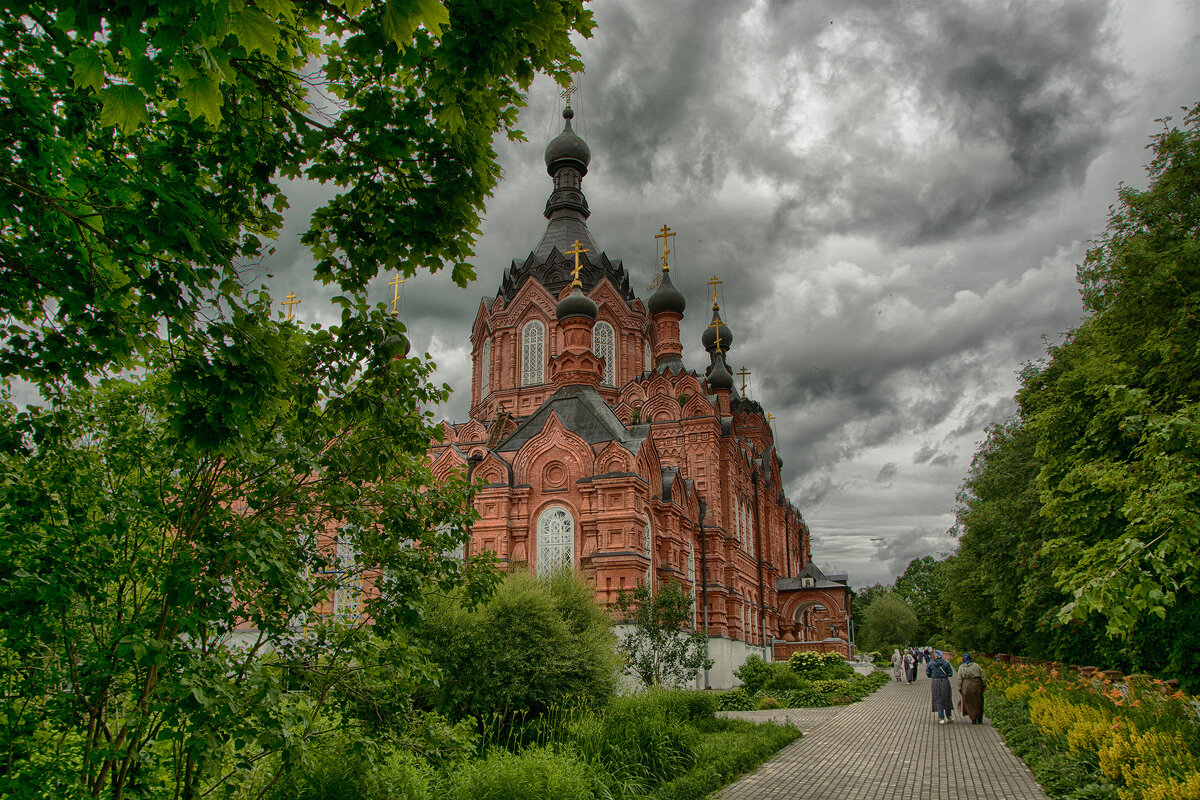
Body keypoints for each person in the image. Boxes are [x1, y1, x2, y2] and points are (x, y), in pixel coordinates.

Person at [957, 653, 987, 724]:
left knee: (968, 701)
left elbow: (959, 679)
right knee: (978, 701)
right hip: (976, 683)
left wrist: (960, 688)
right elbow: (982, 675)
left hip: (966, 684)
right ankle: (979, 718)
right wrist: (984, 685)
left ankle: (973, 718)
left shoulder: (961, 667)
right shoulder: (976, 666)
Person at [927, 649, 954, 724]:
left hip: (935, 681)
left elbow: (928, 673)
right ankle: (948, 716)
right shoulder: (946, 663)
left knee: (937, 698)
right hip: (944, 681)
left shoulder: (931, 663)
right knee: (947, 698)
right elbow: (950, 674)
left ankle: (941, 717)